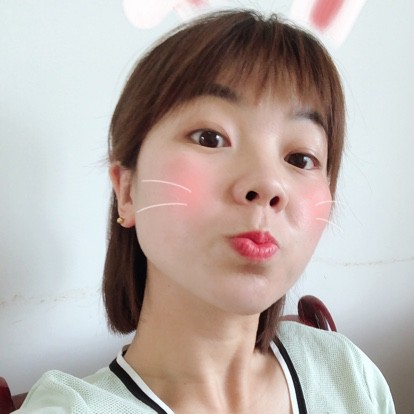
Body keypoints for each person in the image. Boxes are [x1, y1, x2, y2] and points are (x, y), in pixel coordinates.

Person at [16, 9, 395, 414]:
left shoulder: (348, 375)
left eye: (301, 158)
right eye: (210, 138)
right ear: (127, 190)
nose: (268, 184)